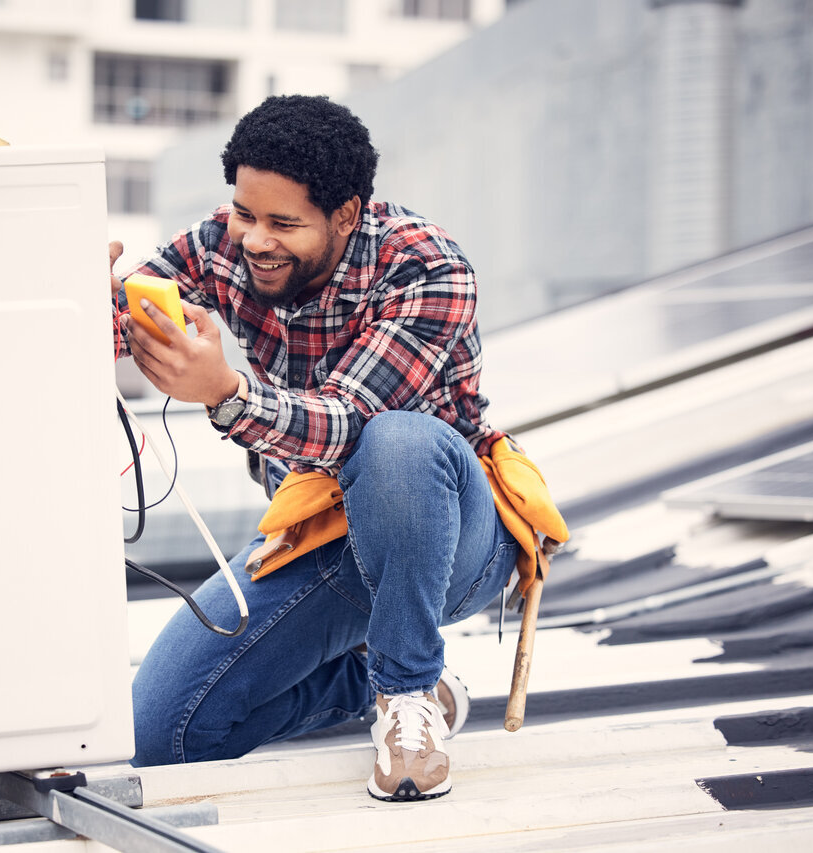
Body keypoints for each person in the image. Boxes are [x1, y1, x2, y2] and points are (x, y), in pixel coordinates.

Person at [110, 94, 518, 802]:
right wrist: (78, 300)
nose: (255, 239)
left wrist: (225, 392)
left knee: (399, 441)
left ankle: (407, 691)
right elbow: (122, 322)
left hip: (447, 537)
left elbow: (346, 421)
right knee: (163, 736)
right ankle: (362, 684)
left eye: (283, 223)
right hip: (322, 533)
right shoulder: (221, 245)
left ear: (347, 215)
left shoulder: (426, 268)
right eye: (244, 212)